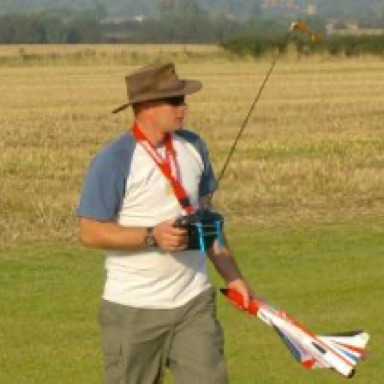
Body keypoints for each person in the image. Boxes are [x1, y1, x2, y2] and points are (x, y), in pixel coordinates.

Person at [76, 62, 252, 384]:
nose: (183, 107)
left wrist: (234, 277)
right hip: (133, 310)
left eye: (182, 99)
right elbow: (89, 231)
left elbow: (209, 220)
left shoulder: (194, 146)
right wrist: (151, 236)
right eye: (174, 100)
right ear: (145, 107)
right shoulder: (113, 160)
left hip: (193, 303)